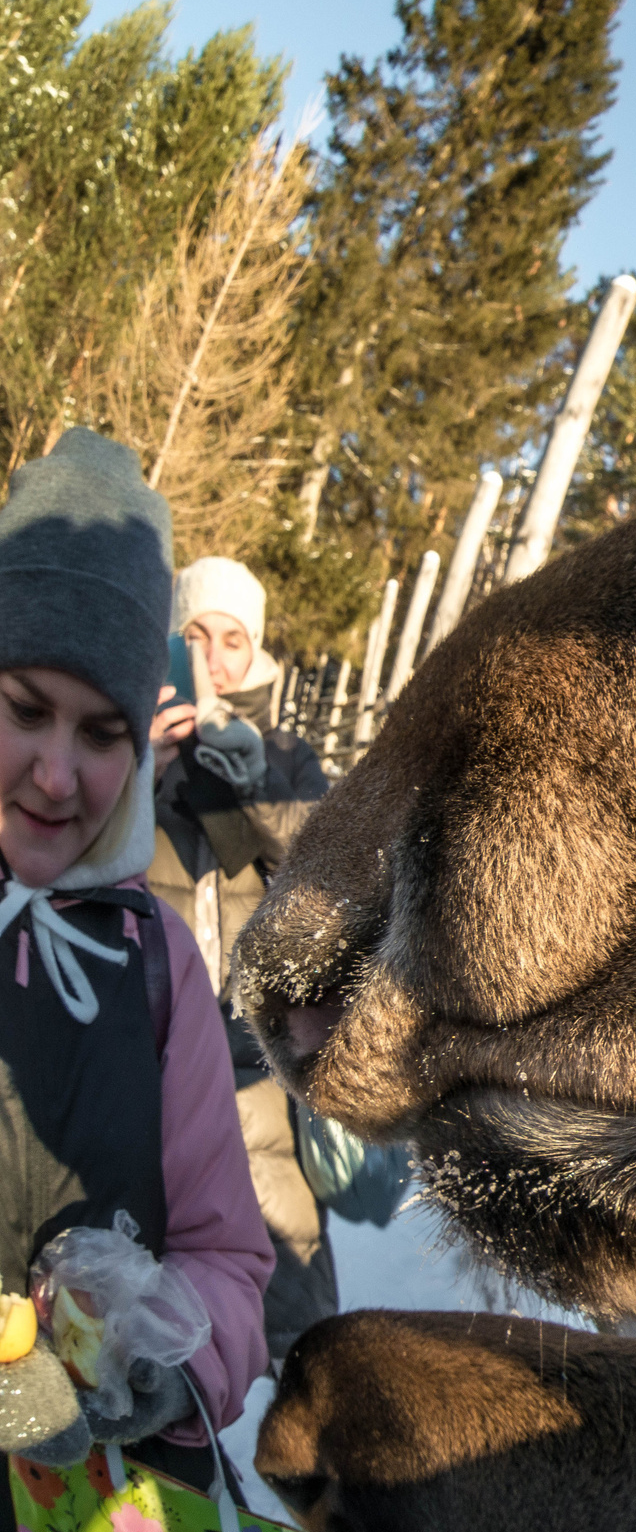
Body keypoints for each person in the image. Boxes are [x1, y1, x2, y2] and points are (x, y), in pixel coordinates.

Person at [0, 429, 272, 1499]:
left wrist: (153, 1371)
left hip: (105, 1526)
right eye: (23, 710)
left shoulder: (148, 954)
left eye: (103, 730)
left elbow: (229, 1258)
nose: (58, 774)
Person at [147, 555, 348, 1368]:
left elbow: (335, 862)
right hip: (149, 1051)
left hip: (254, 1061)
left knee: (294, 1313)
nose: (215, 656)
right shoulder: (130, 737)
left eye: (233, 637)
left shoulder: (288, 754)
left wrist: (252, 780)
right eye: (196, 633)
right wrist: (146, 770)